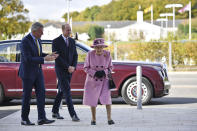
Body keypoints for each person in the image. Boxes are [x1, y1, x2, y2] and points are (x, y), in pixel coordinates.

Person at [18, 22, 58, 125]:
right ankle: (24, 119)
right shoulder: (25, 41)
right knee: (27, 96)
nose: (43, 34)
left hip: (38, 72)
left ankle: (41, 118)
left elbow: (38, 54)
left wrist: (49, 55)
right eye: (41, 32)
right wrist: (44, 59)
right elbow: (27, 59)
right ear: (34, 31)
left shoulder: (38, 39)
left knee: (41, 94)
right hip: (27, 73)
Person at [83, 38, 115, 125]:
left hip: (104, 80)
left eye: (101, 47)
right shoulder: (90, 54)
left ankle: (109, 119)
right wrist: (95, 73)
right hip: (92, 80)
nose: (99, 49)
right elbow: (86, 67)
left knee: (107, 99)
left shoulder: (107, 54)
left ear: (103, 47)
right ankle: (93, 119)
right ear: (94, 48)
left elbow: (111, 67)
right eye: (97, 47)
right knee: (92, 100)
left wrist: (103, 72)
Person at [51, 23, 80, 122]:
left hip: (70, 70)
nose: (69, 31)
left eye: (70, 30)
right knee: (67, 91)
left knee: (62, 90)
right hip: (61, 70)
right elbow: (57, 57)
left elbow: (75, 55)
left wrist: (73, 66)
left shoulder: (72, 41)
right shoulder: (56, 41)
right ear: (63, 30)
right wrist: (67, 66)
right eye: (68, 30)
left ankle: (54, 111)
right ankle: (73, 114)